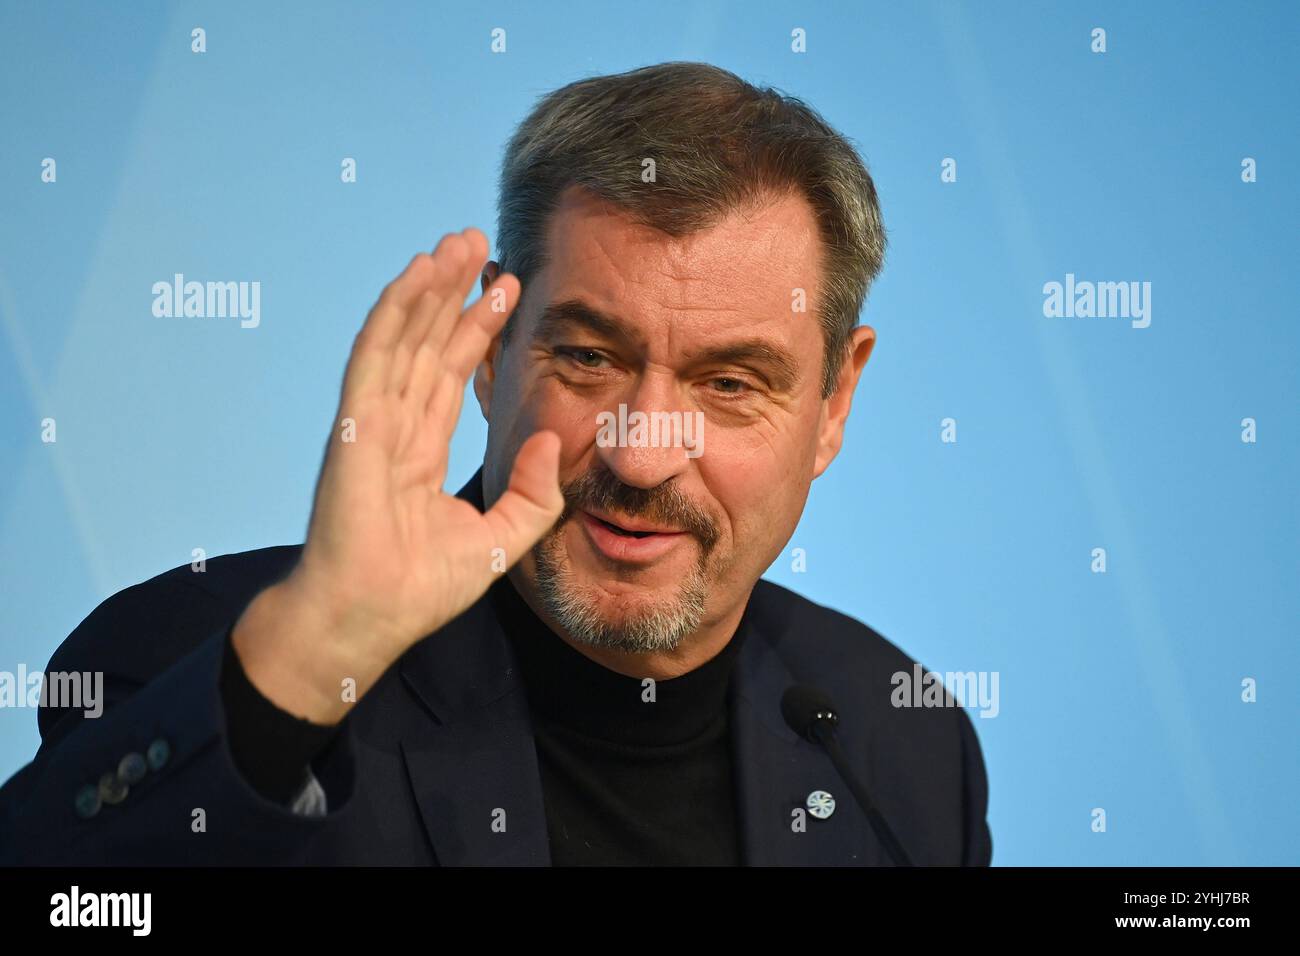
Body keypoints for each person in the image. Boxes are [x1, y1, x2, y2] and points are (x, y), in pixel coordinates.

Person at [0, 61, 992, 866]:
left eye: (730, 382)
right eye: (590, 358)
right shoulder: (211, 661)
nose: (643, 455)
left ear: (833, 404)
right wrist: (305, 662)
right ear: (493, 348)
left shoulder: (901, 742)